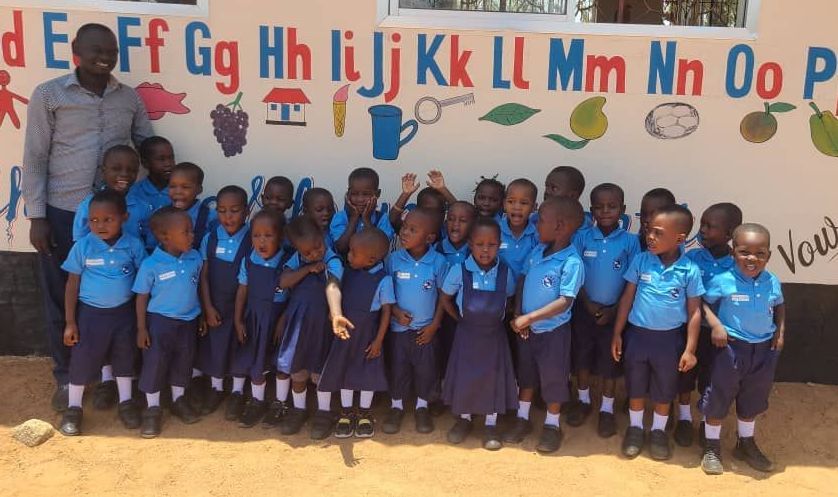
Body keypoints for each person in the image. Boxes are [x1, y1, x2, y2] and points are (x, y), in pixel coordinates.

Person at [22, 23, 153, 411]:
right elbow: (35, 157)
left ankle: (113, 376)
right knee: (60, 295)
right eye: (96, 49)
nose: (105, 57)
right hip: (63, 213)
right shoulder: (49, 95)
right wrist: (37, 215)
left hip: (114, 219)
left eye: (111, 51)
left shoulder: (128, 98)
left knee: (114, 300)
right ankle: (67, 377)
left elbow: (146, 144)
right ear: (75, 49)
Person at [611, 204, 704, 460]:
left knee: (664, 390)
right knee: (636, 385)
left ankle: (659, 432)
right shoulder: (641, 260)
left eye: (658, 233)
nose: (650, 237)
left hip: (669, 341)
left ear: (680, 239)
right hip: (638, 337)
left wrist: (690, 349)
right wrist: (618, 333)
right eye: (649, 231)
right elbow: (627, 298)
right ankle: (636, 428)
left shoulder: (690, 270)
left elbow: (695, 312)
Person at [698, 223, 784, 475]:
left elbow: (780, 306)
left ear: (769, 255)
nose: (752, 258)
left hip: (763, 350)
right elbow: (702, 304)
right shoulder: (722, 281)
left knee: (753, 398)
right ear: (734, 252)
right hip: (732, 349)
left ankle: (745, 443)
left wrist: (780, 332)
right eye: (745, 252)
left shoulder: (772, 281)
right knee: (719, 396)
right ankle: (711, 446)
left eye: (760, 253)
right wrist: (715, 325)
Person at [58, 190, 147, 436]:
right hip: (91, 316)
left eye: (108, 219)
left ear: (124, 218)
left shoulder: (133, 245)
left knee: (124, 357)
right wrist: (70, 322)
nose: (100, 225)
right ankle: (74, 408)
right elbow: (72, 284)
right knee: (83, 360)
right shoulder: (84, 246)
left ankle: (126, 403)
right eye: (94, 220)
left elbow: (144, 279)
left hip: (124, 314)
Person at [507, 197, 585, 454]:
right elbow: (523, 281)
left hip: (553, 333)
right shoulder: (537, 252)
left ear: (560, 226)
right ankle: (522, 418)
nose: (535, 224)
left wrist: (530, 318)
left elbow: (564, 301)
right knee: (525, 375)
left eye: (540, 220)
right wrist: (520, 314)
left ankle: (552, 425)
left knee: (553, 379)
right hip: (528, 331)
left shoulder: (571, 262)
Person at [440, 217, 518, 450]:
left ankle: (491, 424)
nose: (485, 250)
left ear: (499, 244)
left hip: (494, 337)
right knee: (466, 377)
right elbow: (445, 298)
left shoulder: (505, 273)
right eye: (479, 244)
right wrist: (459, 319)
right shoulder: (459, 270)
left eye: (492, 245)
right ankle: (463, 420)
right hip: (467, 335)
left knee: (492, 379)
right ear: (470, 245)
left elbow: (510, 299)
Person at [568, 183, 640, 437]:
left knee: (611, 361)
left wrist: (614, 310)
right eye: (599, 207)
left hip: (615, 314)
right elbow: (574, 273)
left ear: (623, 209)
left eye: (612, 206)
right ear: (591, 210)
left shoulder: (631, 242)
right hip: (584, 309)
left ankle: (607, 409)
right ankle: (584, 400)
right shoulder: (581, 238)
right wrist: (587, 302)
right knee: (582, 357)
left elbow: (633, 281)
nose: (606, 211)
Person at [675, 202, 742, 447]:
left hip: (721, 336)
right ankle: (683, 417)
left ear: (729, 234)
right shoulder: (692, 258)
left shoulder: (737, 265)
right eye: (702, 223)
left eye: (709, 226)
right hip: (692, 329)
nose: (702, 230)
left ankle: (705, 421)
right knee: (684, 375)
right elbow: (692, 297)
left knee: (710, 378)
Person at [133, 207, 204, 438]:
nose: (192, 236)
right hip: (159, 323)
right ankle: (152, 408)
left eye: (191, 230)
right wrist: (142, 328)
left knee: (183, 362)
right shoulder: (151, 265)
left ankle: (178, 400)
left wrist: (201, 313)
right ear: (165, 237)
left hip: (188, 321)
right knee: (155, 363)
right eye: (186, 232)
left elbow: (199, 288)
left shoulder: (195, 257)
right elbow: (141, 297)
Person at [318, 228, 395, 439]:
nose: (348, 255)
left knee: (366, 373)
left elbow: (387, 312)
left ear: (370, 259)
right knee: (345, 370)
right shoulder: (347, 272)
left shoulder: (383, 279)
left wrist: (379, 340)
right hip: (345, 332)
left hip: (368, 333)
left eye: (353, 252)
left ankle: (364, 413)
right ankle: (346, 412)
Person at [275, 216, 344, 439]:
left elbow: (333, 287)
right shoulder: (298, 260)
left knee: (319, 372)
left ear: (322, 236)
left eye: (317, 246)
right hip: (298, 325)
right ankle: (298, 409)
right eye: (307, 253)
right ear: (297, 250)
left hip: (321, 327)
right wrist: (308, 268)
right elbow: (284, 282)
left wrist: (335, 313)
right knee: (298, 371)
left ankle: (324, 412)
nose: (315, 254)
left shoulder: (333, 260)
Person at [382, 209, 447, 435]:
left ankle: (422, 407)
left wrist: (434, 325)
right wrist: (396, 313)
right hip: (399, 329)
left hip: (425, 331)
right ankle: (396, 406)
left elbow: (443, 298)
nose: (404, 233)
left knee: (425, 370)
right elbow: (385, 293)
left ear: (429, 238)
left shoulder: (438, 262)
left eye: (412, 229)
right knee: (398, 368)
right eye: (404, 227)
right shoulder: (393, 259)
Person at [195, 186, 251, 416]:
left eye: (235, 210)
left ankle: (237, 391)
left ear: (247, 212)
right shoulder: (210, 238)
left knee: (241, 346)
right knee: (216, 347)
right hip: (216, 305)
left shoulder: (253, 237)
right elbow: (204, 275)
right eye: (222, 211)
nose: (228, 217)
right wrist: (207, 307)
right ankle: (216, 388)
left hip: (242, 305)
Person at [231, 210, 290, 427]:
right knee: (256, 362)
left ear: (281, 236)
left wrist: (284, 319)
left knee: (282, 363)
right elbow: (242, 291)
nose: (262, 241)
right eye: (256, 236)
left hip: (278, 319)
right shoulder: (249, 260)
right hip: (255, 318)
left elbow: (294, 295)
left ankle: (280, 403)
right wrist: (238, 320)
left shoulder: (287, 260)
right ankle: (257, 401)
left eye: (268, 235)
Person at [330, 167, 395, 255]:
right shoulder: (340, 217)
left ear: (377, 194)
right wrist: (353, 219)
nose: (360, 199)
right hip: (345, 267)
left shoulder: (382, 219)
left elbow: (379, 250)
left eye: (366, 194)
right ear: (348, 193)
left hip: (375, 268)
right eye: (354, 194)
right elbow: (341, 249)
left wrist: (367, 220)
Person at [167, 162, 217, 250]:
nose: (178, 192)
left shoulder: (210, 216)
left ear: (199, 190)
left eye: (185, 187)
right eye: (172, 186)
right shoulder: (164, 215)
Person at [499, 178, 540, 278]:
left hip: (525, 289)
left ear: (534, 207)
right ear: (504, 204)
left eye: (524, 203)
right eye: (511, 201)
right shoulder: (495, 231)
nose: (517, 207)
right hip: (500, 289)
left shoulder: (537, 234)